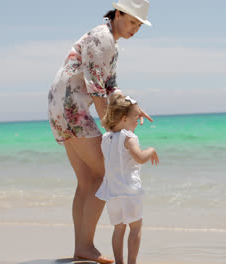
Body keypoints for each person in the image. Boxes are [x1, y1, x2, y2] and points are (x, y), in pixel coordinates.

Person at [47, 0, 152, 263]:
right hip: (72, 107)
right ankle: (86, 245)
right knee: (105, 174)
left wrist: (132, 106)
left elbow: (110, 85)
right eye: (131, 22)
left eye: (138, 25)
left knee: (87, 181)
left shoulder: (111, 44)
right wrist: (114, 130)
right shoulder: (102, 39)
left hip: (61, 107)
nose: (134, 29)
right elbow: (96, 90)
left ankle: (82, 247)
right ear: (117, 14)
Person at [96, 93, 159, 264]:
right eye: (135, 118)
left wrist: (135, 110)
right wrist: (151, 150)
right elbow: (139, 157)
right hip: (130, 191)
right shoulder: (129, 137)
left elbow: (114, 121)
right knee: (136, 228)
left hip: (113, 192)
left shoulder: (106, 138)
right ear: (124, 118)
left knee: (118, 229)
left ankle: (119, 262)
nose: (138, 121)